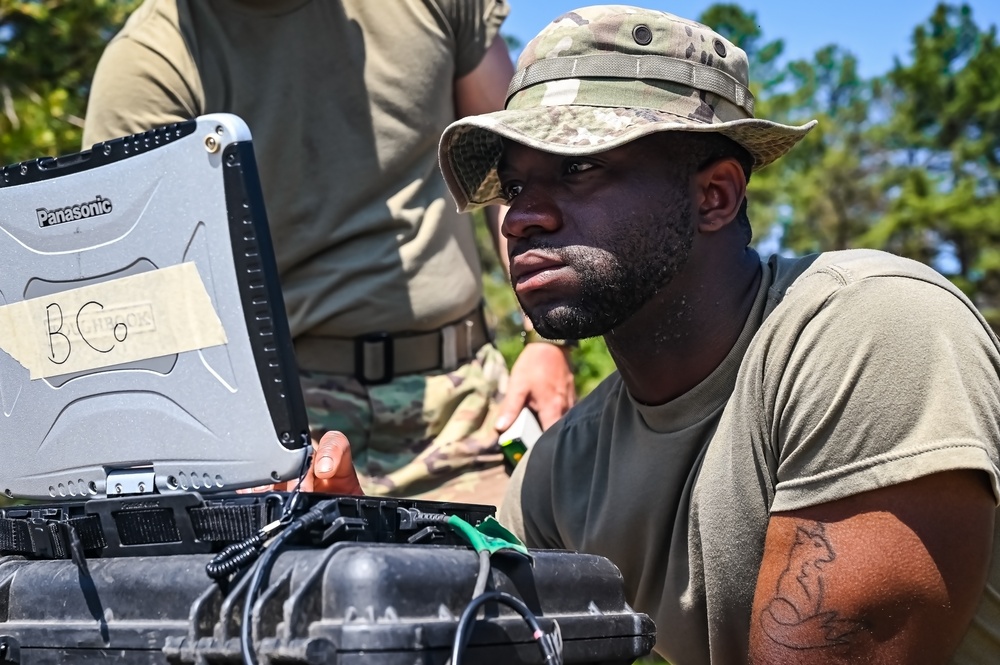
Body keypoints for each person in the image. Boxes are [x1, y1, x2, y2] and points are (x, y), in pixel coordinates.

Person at [313, 5, 1000, 663]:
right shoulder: (562, 471)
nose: (521, 219)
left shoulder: (869, 332)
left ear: (715, 195)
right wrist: (364, 557)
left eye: (580, 166)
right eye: (515, 187)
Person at [82, 0, 576, 506]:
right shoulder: (150, 62)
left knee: (523, 570)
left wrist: (545, 343)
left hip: (470, 408)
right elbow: (132, 309)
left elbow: (521, 166)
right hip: (290, 427)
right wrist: (231, 447)